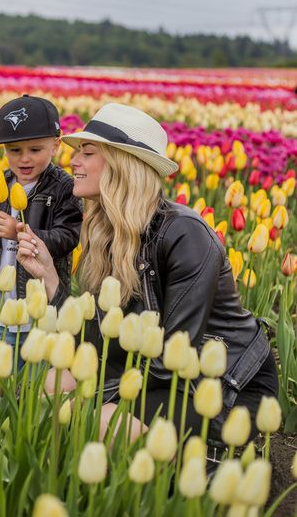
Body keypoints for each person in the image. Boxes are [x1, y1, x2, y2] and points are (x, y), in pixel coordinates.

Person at [16, 102, 278, 450]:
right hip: (150, 374)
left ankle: (163, 484)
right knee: (50, 383)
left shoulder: (185, 236)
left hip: (219, 386)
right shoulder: (107, 233)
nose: (73, 161)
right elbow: (99, 340)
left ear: (122, 164)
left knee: (99, 418)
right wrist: (50, 278)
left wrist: (93, 395)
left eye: (87, 152)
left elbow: (173, 359)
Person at [0, 94, 83, 358]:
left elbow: (67, 237)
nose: (24, 159)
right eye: (15, 150)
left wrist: (19, 232)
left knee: (31, 386)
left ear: (55, 146)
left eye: (35, 149)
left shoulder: (64, 188)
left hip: (39, 309)